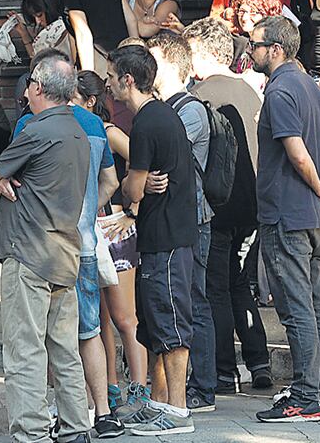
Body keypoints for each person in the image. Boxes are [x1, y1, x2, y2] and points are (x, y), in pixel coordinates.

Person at [0, 49, 96, 443]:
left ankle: (31, 432)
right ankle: (77, 427)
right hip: (64, 253)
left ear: (41, 88)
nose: (25, 91)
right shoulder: (80, 132)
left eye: (29, 84)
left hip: (28, 253)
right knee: (64, 349)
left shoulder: (37, 130)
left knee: (25, 350)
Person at [9, 61, 124, 439]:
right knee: (82, 337)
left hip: (37, 246)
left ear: (40, 87)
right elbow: (109, 179)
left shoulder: (32, 125)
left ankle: (38, 426)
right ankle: (96, 414)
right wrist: (88, 211)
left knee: (31, 343)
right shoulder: (91, 125)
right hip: (80, 244)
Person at [248, 16, 320, 422]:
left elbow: (296, 151)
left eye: (254, 44)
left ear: (275, 49)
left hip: (288, 215)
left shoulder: (280, 91)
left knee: (297, 308)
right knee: (317, 305)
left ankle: (306, 396)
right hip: (317, 218)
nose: (249, 50)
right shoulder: (310, 86)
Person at [107, 45, 197, 435]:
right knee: (159, 324)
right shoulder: (162, 115)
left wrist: (133, 187)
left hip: (168, 237)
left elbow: (134, 189)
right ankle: (161, 402)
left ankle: (177, 410)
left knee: (172, 323)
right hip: (164, 235)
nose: (108, 82)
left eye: (112, 76)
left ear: (128, 79)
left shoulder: (146, 122)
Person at [182, 17, 273, 394]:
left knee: (214, 287)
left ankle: (223, 369)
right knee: (240, 284)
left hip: (220, 203)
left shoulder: (204, 95)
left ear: (200, 55)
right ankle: (259, 361)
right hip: (254, 203)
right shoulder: (252, 89)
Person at [146, 33, 217, 414]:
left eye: (152, 58)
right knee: (178, 302)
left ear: (170, 64)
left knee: (193, 302)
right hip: (174, 218)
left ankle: (202, 388)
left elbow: (168, 158)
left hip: (194, 217)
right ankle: (176, 388)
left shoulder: (190, 110)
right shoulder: (164, 107)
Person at [72, 72, 151, 414]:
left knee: (124, 317)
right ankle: (110, 386)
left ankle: (139, 386)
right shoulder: (77, 130)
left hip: (114, 226)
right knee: (97, 319)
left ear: (90, 101)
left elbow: (141, 159)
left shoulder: (106, 131)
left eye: (73, 97)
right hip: (91, 226)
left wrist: (131, 210)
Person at [9, 0, 73, 59]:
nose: (38, 21)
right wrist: (24, 33)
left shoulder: (60, 29)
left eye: (39, 15)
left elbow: (37, 61)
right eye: (34, 17)